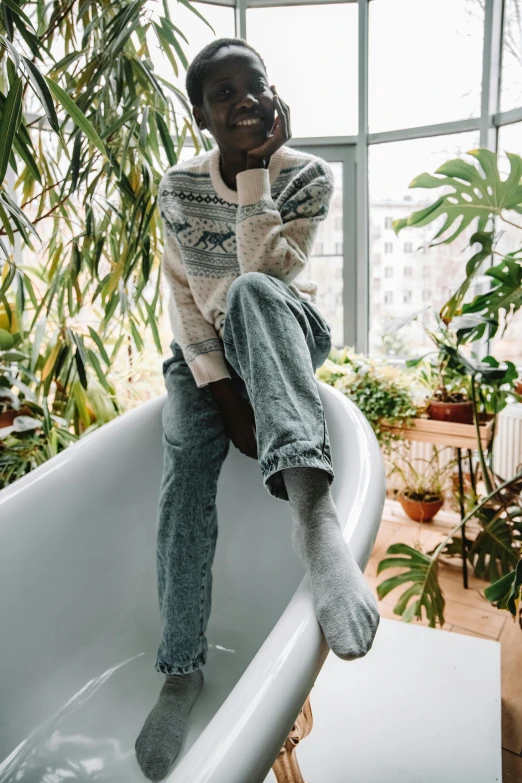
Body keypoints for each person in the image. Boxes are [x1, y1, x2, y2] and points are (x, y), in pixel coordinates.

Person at [135, 37, 380, 782]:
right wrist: (218, 390)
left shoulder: (305, 175)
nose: (244, 98)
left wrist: (251, 181)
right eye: (223, 93)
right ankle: (181, 670)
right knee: (183, 478)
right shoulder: (177, 186)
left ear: (273, 95)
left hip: (281, 327)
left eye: (256, 84)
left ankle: (314, 517)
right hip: (206, 351)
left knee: (248, 293)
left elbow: (269, 275)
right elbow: (182, 295)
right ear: (202, 114)